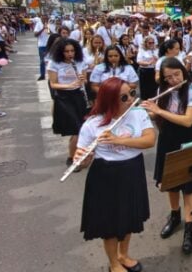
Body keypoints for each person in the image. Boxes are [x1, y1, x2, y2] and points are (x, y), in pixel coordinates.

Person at [75, 78, 155, 272]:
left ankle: (123, 255)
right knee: (109, 223)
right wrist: (83, 158)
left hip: (132, 169)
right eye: (125, 97)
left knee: (129, 217)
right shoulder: (92, 124)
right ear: (110, 100)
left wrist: (118, 140)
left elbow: (149, 140)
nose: (131, 100)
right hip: (105, 175)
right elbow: (83, 160)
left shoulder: (138, 114)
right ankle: (113, 263)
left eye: (132, 94)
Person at [141, 58, 192, 255]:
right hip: (168, 137)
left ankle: (189, 227)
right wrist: (149, 111)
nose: (173, 80)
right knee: (171, 182)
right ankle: (175, 216)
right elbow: (158, 116)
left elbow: (187, 120)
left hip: (187, 136)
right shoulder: (163, 90)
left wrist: (159, 110)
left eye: (176, 75)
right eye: (168, 77)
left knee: (189, 184)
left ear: (183, 71)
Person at [47, 38, 88, 168]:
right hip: (64, 98)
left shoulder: (80, 62)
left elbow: (85, 80)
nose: (70, 54)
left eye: (72, 51)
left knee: (81, 128)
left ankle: (79, 153)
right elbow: (53, 84)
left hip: (78, 96)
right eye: (66, 51)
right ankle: (72, 158)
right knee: (76, 129)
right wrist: (68, 85)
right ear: (61, 52)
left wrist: (82, 79)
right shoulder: (54, 63)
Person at [136, 35, 158, 100]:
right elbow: (138, 61)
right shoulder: (142, 50)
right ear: (146, 43)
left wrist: (157, 59)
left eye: (153, 42)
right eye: (150, 43)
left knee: (154, 88)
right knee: (145, 88)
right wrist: (148, 63)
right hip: (145, 71)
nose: (151, 44)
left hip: (153, 70)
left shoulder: (156, 50)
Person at [34, 15, 50, 81]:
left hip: (50, 45)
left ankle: (51, 74)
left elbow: (53, 33)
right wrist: (43, 28)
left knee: (51, 60)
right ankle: (42, 75)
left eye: (46, 18)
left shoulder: (50, 24)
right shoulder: (38, 24)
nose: (44, 20)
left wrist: (48, 28)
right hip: (42, 45)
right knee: (42, 61)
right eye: (43, 19)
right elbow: (35, 35)